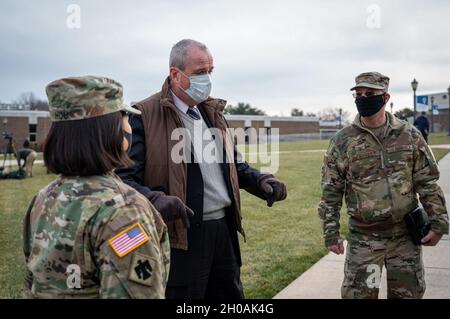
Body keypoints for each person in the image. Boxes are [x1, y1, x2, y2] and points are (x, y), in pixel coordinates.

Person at [117, 39, 287, 299]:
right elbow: (123, 179)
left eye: (210, 71)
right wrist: (155, 199)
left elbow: (233, 165)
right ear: (175, 74)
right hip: (181, 236)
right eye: (199, 73)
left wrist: (260, 181)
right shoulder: (143, 115)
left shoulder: (212, 112)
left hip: (223, 230)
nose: (206, 79)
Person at [22, 76, 170, 298]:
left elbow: (33, 280)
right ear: (109, 130)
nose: (129, 126)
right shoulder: (123, 211)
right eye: (125, 118)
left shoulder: (44, 198)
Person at [318, 71, 449, 299]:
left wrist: (439, 222)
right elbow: (331, 190)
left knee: (408, 295)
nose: (363, 98)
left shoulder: (409, 135)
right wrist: (331, 233)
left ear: (385, 98)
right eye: (358, 93)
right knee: (360, 296)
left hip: (405, 238)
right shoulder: (343, 141)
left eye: (370, 93)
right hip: (365, 240)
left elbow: (427, 182)